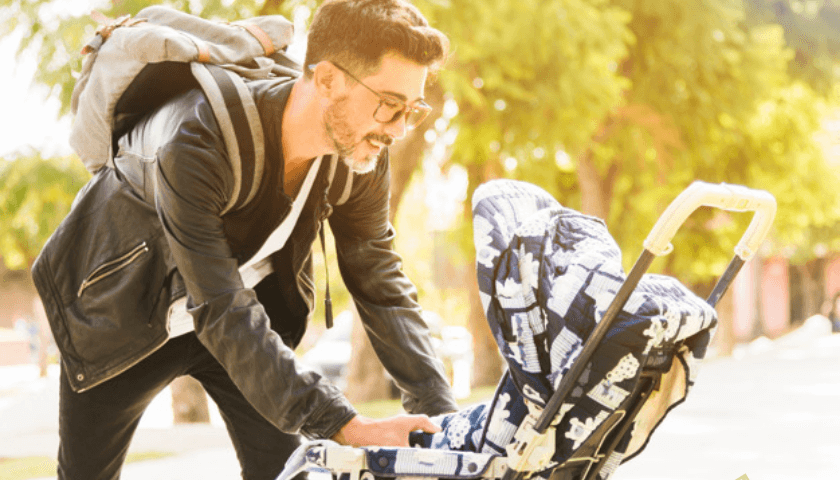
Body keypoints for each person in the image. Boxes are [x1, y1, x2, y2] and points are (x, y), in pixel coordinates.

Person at [31, 1, 458, 478]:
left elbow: (379, 280)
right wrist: (346, 424)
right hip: (119, 314)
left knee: (282, 470)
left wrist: (445, 425)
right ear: (328, 80)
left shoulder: (360, 153)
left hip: (240, 328)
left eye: (411, 110)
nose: (397, 129)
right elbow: (217, 304)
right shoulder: (197, 140)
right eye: (388, 104)